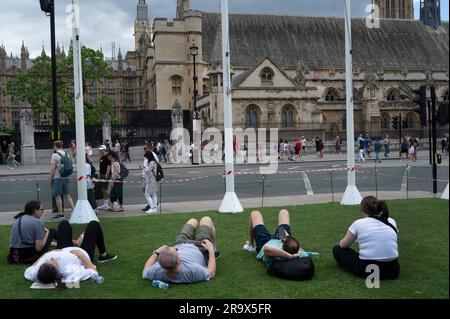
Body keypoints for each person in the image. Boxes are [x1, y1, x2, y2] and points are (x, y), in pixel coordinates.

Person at [24, 220, 117, 284]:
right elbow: (93, 272)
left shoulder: (36, 273)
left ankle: (78, 241)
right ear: (57, 271)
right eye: (53, 261)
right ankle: (103, 255)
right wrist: (81, 255)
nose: (52, 258)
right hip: (82, 252)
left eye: (46, 261)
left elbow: (30, 268)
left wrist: (47, 254)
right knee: (94, 224)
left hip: (63, 249)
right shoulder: (69, 272)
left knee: (64, 224)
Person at [332, 196, 399, 280]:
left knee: (337, 249)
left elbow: (343, 245)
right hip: (393, 270)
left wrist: (357, 239)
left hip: (368, 269)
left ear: (363, 210)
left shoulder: (359, 223)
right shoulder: (391, 221)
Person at [142, 217, 218, 284]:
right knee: (206, 219)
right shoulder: (191, 270)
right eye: (174, 250)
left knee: (192, 221)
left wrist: (156, 252)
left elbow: (145, 272)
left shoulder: (158, 270)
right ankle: (215, 249)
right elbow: (211, 274)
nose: (169, 247)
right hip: (200, 247)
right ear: (179, 260)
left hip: (180, 243)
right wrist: (211, 250)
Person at [49, 140, 75, 219]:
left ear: (55, 146)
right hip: (65, 176)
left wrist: (50, 178)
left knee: (57, 196)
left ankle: (61, 214)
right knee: (67, 194)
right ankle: (74, 211)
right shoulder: (66, 154)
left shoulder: (54, 155)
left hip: (57, 177)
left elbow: (53, 169)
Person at [142, 150, 158, 215]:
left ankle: (152, 208)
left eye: (146, 157)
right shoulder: (154, 162)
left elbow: (148, 171)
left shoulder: (151, 163)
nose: (146, 159)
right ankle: (154, 208)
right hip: (153, 179)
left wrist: (142, 168)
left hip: (150, 180)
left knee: (147, 194)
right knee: (153, 194)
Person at [97, 145, 111, 210]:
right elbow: (101, 167)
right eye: (99, 149)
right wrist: (100, 175)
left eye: (101, 149)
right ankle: (106, 204)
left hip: (105, 175)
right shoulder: (102, 157)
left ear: (104, 149)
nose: (100, 150)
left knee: (104, 189)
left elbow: (109, 166)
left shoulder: (107, 156)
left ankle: (113, 200)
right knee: (103, 189)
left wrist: (106, 175)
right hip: (102, 174)